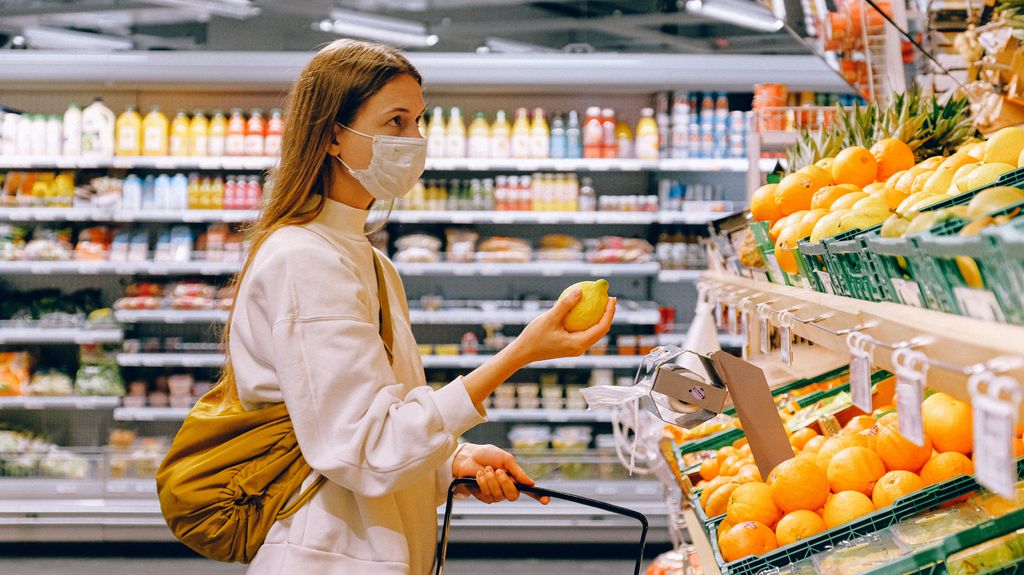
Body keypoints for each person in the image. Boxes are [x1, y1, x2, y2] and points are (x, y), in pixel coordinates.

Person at [227, 39, 616, 574]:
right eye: (395, 122)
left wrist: (449, 460)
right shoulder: (304, 260)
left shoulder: (368, 260)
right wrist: (517, 355)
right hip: (329, 557)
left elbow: (384, 419)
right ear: (334, 134)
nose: (415, 140)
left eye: (418, 121)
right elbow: (365, 448)